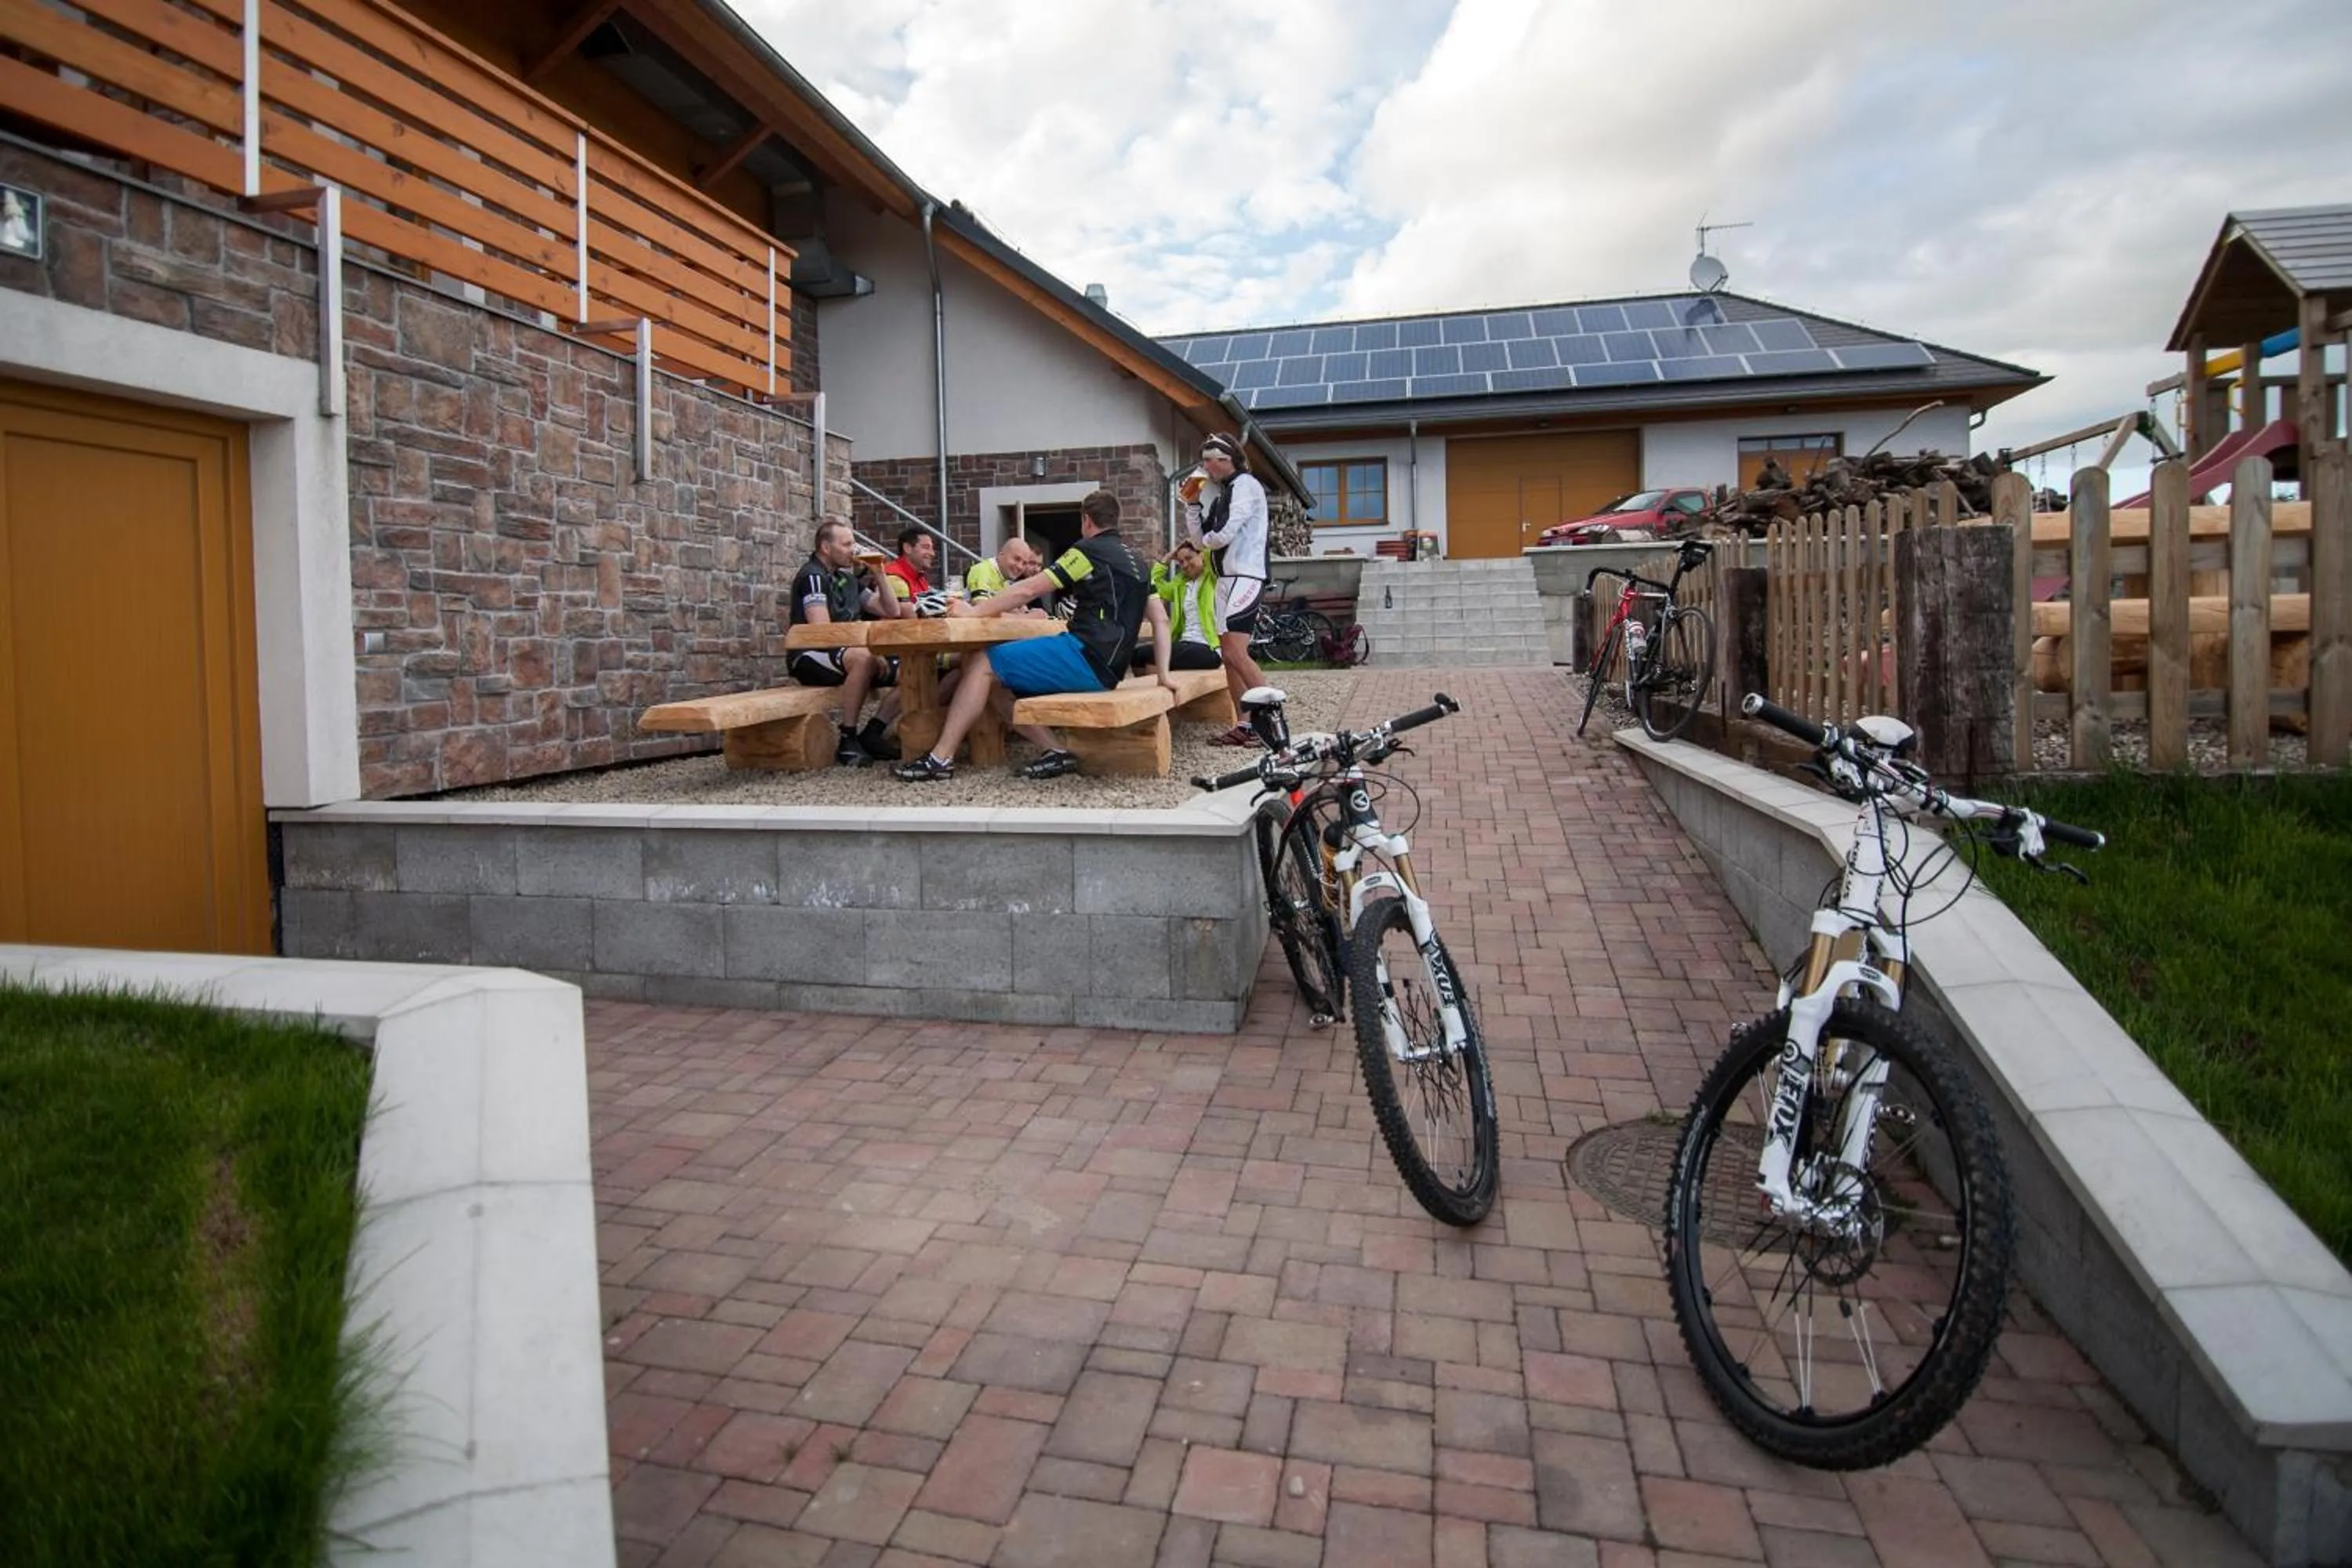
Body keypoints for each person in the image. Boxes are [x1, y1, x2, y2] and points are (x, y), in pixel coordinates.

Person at [895, 490, 1176, 782]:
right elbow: (1161, 620)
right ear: (1115, 520)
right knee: (993, 677)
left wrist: (973, 613)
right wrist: (1164, 675)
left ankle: (940, 759)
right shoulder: (1139, 563)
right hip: (1110, 669)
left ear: (1086, 520)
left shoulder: (1086, 552)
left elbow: (1028, 589)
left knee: (980, 663)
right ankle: (1053, 750)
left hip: (1084, 656)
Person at [787, 520, 906, 766]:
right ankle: (848, 738)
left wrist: (879, 573)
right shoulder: (813, 577)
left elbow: (891, 610)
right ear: (825, 548)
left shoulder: (847, 580)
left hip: (847, 654)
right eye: (847, 544)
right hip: (809, 656)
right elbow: (822, 633)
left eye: (854, 543)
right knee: (862, 659)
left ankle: (873, 732)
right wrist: (870, 650)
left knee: (915, 670)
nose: (854, 550)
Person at [1181, 432, 1270, 744]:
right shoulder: (1222, 495)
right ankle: (1245, 725)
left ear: (1224, 460)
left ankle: (1272, 723)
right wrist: (1192, 506)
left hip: (1245, 575)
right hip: (1225, 579)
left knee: (1235, 652)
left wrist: (1205, 544)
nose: (1204, 467)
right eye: (1204, 461)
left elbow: (1224, 535)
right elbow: (1198, 539)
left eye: (1208, 461)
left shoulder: (1245, 486)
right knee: (1230, 656)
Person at [1134, 539, 1224, 672]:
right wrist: (1167, 558)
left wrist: (1201, 543)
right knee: (1137, 656)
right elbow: (1152, 585)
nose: (1185, 565)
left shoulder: (1213, 579)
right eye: (1181, 562)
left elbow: (1212, 554)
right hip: (1185, 644)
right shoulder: (1180, 584)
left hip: (1208, 647)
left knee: (1152, 658)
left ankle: (1161, 691)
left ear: (1202, 555)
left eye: (1189, 558)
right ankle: (1156, 691)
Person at [964, 536, 1044, 604]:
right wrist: (1028, 617)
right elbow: (981, 609)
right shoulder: (982, 571)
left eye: (1024, 563)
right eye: (1016, 559)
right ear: (1001, 554)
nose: (1020, 567)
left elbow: (1012, 610)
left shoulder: (1005, 580)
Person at [884, 524, 938, 604]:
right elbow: (907, 615)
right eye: (926, 547)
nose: (932, 553)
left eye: (932, 548)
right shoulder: (894, 577)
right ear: (907, 548)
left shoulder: (919, 576)